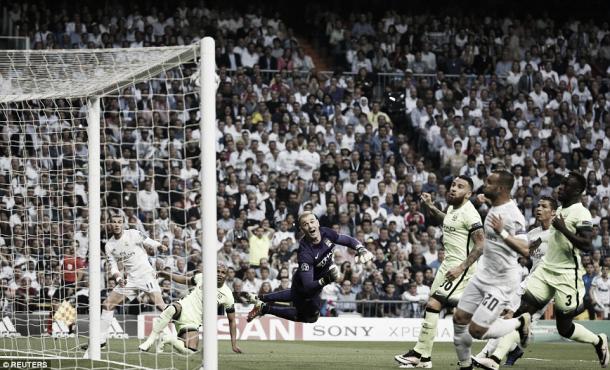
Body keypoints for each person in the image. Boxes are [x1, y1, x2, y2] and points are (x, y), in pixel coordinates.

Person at [479, 172, 608, 370]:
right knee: (521, 313)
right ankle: (495, 358)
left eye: (565, 185)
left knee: (564, 328)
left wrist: (564, 228)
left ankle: (599, 341)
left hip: (566, 275)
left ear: (577, 191)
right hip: (545, 271)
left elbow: (588, 245)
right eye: (561, 184)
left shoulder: (581, 213)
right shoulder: (559, 211)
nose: (560, 187)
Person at [394, 176, 485, 368]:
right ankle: (424, 357)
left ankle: (420, 353)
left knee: (436, 303)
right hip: (447, 266)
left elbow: (480, 245)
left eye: (460, 187)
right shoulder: (453, 208)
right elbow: (447, 221)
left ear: (468, 194)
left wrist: (461, 267)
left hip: (461, 268)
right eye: (453, 185)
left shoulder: (471, 214)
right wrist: (430, 206)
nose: (453, 189)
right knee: (433, 305)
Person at [452, 171, 531, 370]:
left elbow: (525, 249)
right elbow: (486, 199)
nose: (484, 185)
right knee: (459, 319)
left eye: (489, 183)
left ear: (501, 189)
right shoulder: (493, 203)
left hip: (502, 281)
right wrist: (483, 200)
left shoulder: (514, 216)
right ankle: (465, 365)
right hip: (482, 276)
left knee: (477, 331)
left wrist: (502, 232)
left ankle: (520, 323)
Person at [474, 196, 557, 368]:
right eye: (538, 205)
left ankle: (492, 354)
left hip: (546, 285)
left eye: (544, 206)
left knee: (512, 318)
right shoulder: (533, 233)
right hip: (531, 282)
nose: (539, 209)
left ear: (554, 212)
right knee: (509, 319)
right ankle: (509, 351)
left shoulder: (558, 234)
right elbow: (521, 252)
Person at [247, 211, 374, 323]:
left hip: (319, 277)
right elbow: (308, 286)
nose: (310, 226)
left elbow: (345, 239)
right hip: (307, 280)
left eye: (312, 222)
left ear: (317, 223)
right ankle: (265, 308)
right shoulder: (305, 252)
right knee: (309, 316)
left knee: (297, 297)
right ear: (302, 228)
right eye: (305, 224)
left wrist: (360, 248)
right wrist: (327, 279)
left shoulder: (326, 232)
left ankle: (261, 300)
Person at [83, 214, 167, 352]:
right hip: (131, 280)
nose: (116, 225)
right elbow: (113, 266)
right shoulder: (109, 245)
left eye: (119, 222)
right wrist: (118, 278)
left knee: (161, 305)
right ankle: (101, 341)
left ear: (123, 224)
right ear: (109, 224)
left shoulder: (133, 233)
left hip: (146, 276)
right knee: (108, 304)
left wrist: (159, 245)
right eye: (114, 222)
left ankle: (183, 329)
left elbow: (148, 241)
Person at [138, 263, 242, 354]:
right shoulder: (203, 277)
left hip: (193, 321)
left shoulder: (228, 295)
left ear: (227, 276)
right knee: (171, 308)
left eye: (223, 272)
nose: (219, 274)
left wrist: (234, 344)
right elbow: (185, 280)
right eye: (217, 271)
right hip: (184, 307)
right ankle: (149, 342)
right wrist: (166, 275)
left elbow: (232, 320)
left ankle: (168, 339)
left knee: (190, 351)